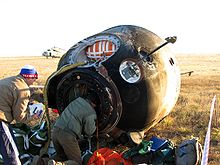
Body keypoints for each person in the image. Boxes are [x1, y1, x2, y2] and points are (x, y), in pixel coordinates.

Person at [0, 65, 40, 165]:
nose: (35, 80)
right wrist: (32, 117)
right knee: (11, 155)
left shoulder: (10, 80)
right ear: (29, 77)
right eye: (34, 77)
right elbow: (19, 117)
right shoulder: (23, 89)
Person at [48, 93, 99, 165]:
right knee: (76, 162)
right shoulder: (91, 112)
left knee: (62, 157)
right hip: (67, 136)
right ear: (94, 104)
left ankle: (40, 162)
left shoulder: (76, 101)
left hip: (55, 131)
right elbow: (89, 131)